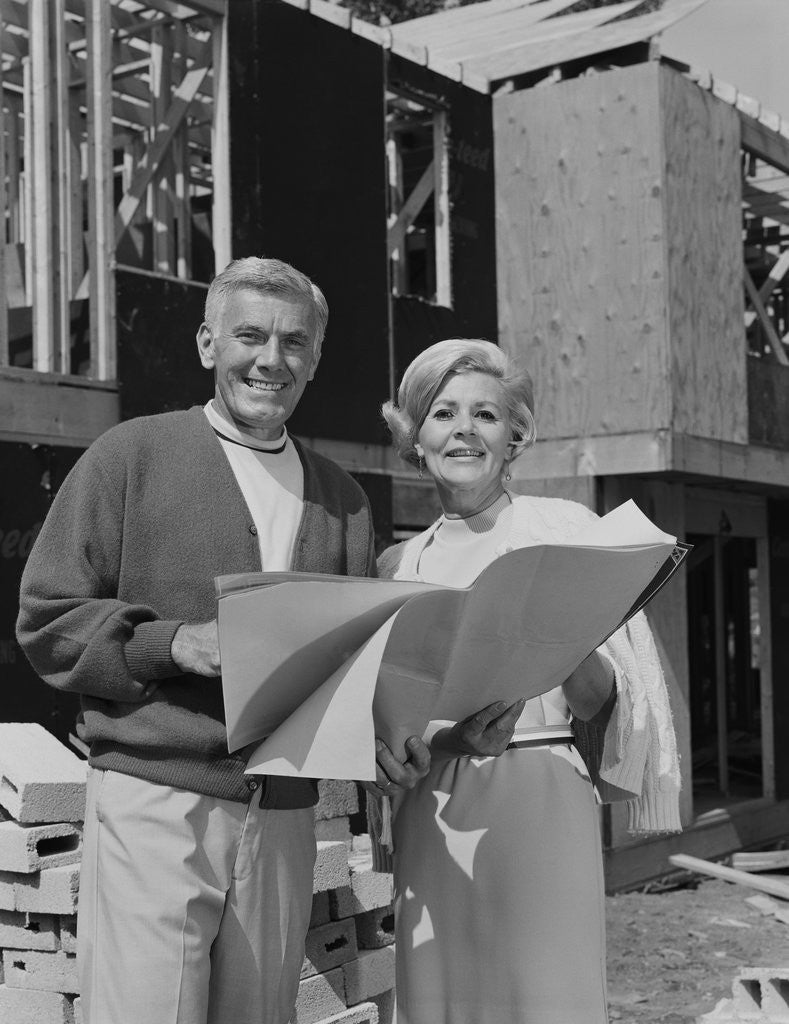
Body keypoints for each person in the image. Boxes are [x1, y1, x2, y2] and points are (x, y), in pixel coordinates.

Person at [16, 257, 429, 1024]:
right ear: (208, 344)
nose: (271, 360)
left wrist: (386, 734)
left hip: (284, 815)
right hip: (156, 801)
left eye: (294, 343)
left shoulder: (343, 500)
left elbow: (347, 667)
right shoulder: (129, 457)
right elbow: (46, 619)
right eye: (249, 336)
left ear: (314, 358)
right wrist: (174, 645)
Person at [369, 338, 682, 1024]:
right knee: (442, 995)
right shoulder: (394, 567)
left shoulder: (568, 531)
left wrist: (554, 632)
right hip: (434, 810)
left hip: (542, 796)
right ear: (414, 436)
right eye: (443, 413)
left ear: (514, 434)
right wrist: (444, 742)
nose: (464, 430)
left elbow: (605, 704)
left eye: (485, 414)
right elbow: (387, 728)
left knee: (546, 997)